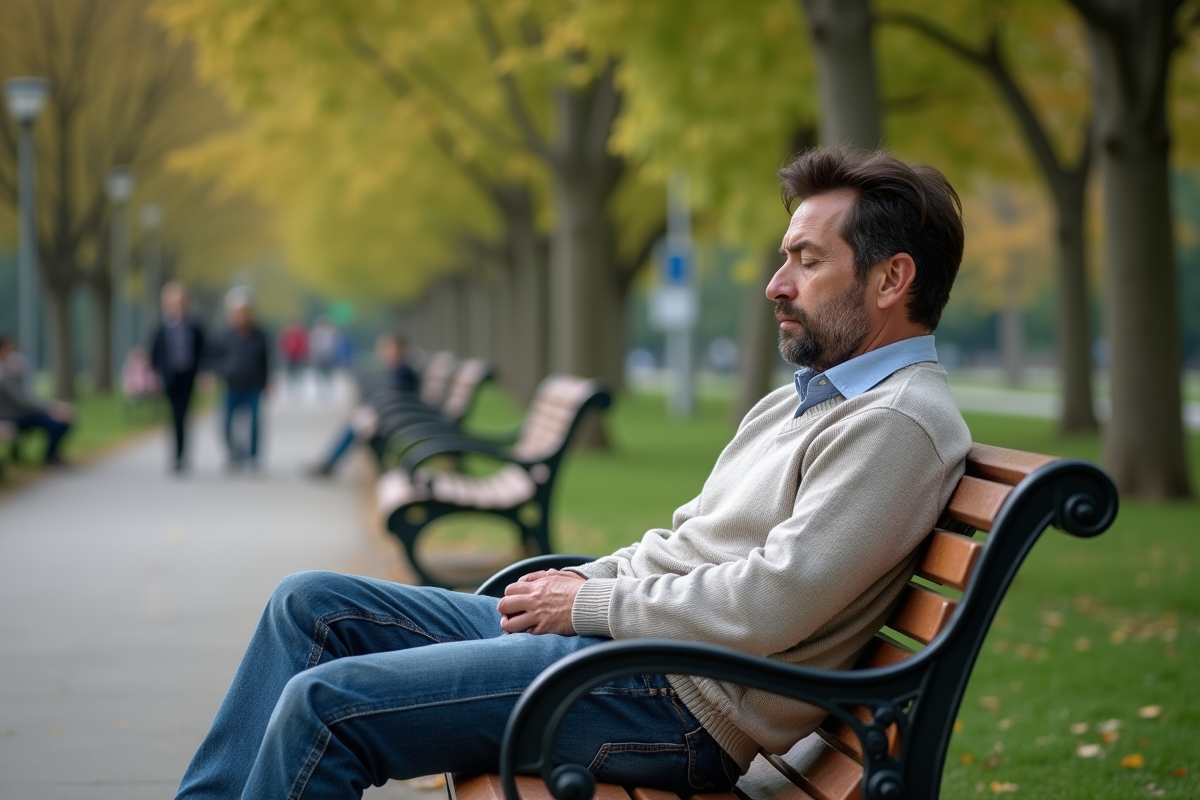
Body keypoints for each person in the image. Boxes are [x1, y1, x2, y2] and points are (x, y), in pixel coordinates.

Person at [174, 147, 972, 799]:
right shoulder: (803, 400)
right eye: (782, 257)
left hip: (675, 701)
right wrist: (585, 587)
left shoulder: (897, 423)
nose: (776, 283)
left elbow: (770, 602)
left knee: (327, 708)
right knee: (309, 605)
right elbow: (690, 540)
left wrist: (589, 600)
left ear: (891, 279)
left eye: (806, 260)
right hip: (623, 650)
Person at [307, 332, 419, 478]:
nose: (383, 352)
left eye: (387, 348)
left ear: (400, 349)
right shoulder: (398, 369)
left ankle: (329, 464)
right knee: (357, 422)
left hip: (397, 418)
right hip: (391, 415)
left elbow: (401, 400)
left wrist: (377, 411)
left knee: (358, 424)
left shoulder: (403, 372)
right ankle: (329, 463)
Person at [210, 287, 270, 471]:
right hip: (231, 385)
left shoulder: (259, 334)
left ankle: (253, 457)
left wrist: (268, 381)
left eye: (244, 311)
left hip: (253, 385)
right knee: (226, 425)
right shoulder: (223, 335)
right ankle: (235, 454)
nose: (241, 316)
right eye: (237, 312)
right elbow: (213, 358)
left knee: (254, 424)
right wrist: (218, 371)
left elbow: (265, 359)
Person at [150, 282, 206, 472]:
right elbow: (155, 353)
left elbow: (202, 351)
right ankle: (177, 455)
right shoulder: (162, 327)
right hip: (169, 377)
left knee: (182, 415)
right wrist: (155, 375)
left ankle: (181, 455)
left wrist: (203, 374)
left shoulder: (194, 326)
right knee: (176, 415)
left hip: (188, 376)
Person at [0, 335, 73, 466]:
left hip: (18, 413)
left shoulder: (8, 369)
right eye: (9, 348)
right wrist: (52, 407)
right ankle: (50, 457)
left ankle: (51, 456)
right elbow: (21, 402)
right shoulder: (3, 375)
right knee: (57, 421)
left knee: (60, 418)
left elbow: (26, 396)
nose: (12, 352)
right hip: (13, 416)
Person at [278, 321, 309, 388]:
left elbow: (304, 344)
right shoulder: (286, 334)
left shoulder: (301, 334)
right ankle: (291, 384)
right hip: (289, 356)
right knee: (290, 372)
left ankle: (299, 385)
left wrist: (303, 353)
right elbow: (282, 344)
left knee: (299, 372)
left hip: (298, 356)